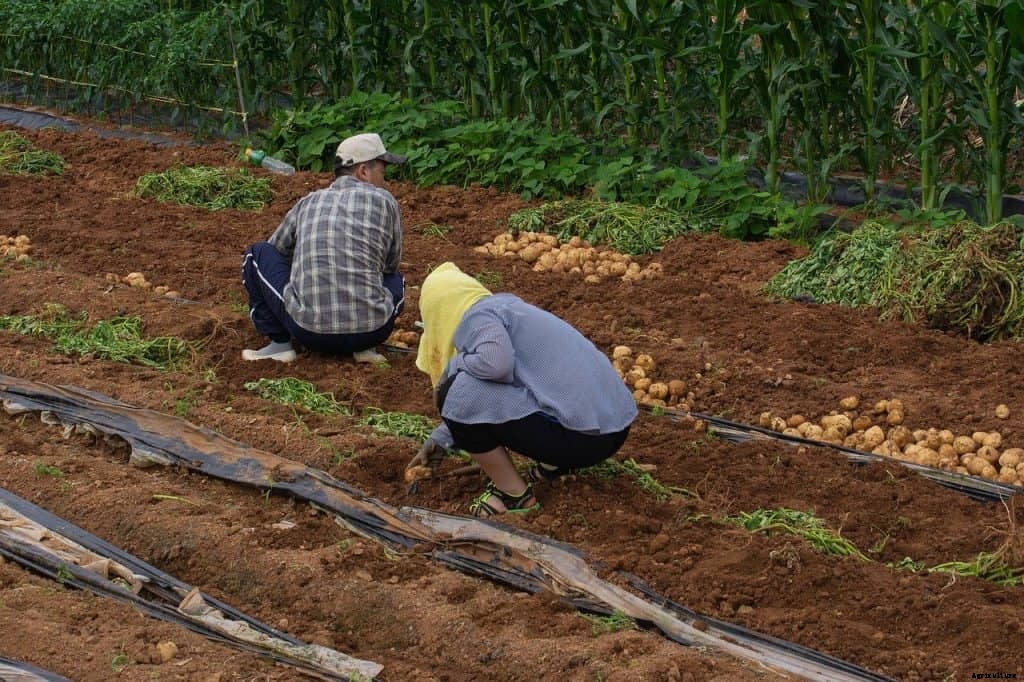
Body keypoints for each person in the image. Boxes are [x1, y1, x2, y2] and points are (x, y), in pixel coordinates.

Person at [408, 262, 637, 517]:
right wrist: (444, 435)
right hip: (613, 430)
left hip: (582, 439)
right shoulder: (507, 310)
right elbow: (508, 382)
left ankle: (512, 494)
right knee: (468, 384)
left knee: (454, 389)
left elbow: (496, 366)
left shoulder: (477, 317)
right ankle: (554, 464)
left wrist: (454, 366)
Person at [240, 132, 406, 363]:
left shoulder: (308, 202)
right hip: (372, 331)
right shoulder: (386, 201)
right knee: (396, 278)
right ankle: (364, 350)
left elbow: (276, 249)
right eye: (382, 172)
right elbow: (390, 265)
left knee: (257, 254)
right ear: (364, 172)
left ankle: (280, 344)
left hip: (309, 332)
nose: (384, 180)